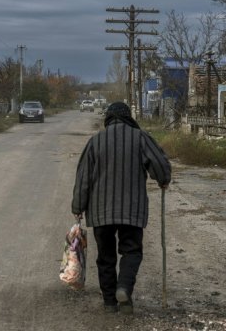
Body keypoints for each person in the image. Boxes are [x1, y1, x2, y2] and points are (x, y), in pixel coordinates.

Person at [71, 101, 172, 314]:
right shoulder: (140, 138)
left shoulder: (95, 142)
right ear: (128, 118)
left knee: (105, 256)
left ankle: (109, 302)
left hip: (100, 211)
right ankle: (124, 287)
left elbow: (83, 178)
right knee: (132, 251)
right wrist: (163, 179)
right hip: (132, 210)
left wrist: (78, 206)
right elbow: (160, 164)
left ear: (108, 119)